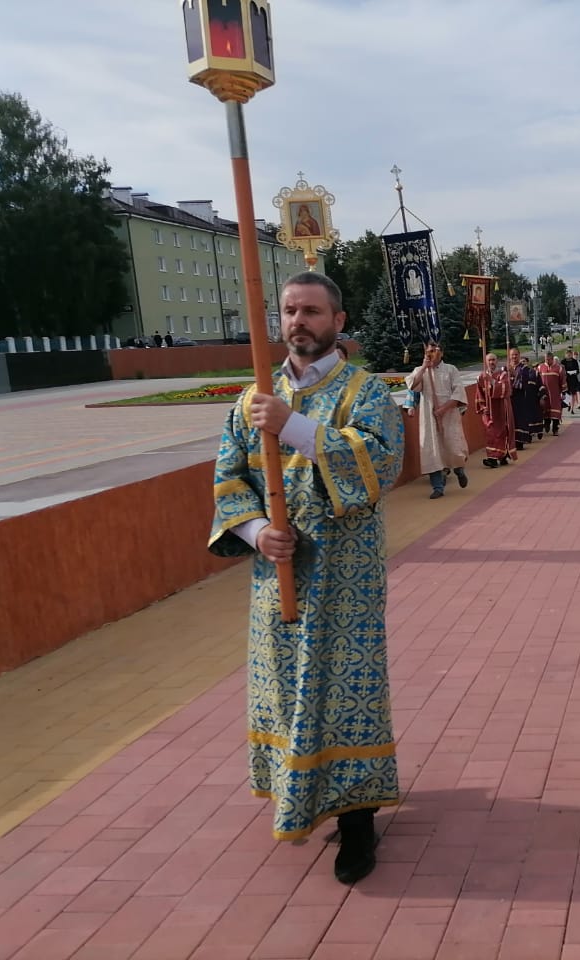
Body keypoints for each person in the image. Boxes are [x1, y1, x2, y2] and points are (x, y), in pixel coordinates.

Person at [208, 271, 404, 885]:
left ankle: (357, 819)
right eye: (290, 310)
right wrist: (255, 533)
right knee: (287, 689)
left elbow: (381, 462)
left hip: (346, 580)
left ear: (337, 321)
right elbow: (229, 478)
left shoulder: (364, 391)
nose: (299, 321)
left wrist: (290, 425)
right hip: (280, 578)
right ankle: (304, 796)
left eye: (312, 311)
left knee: (346, 693)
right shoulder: (251, 399)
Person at [407, 342, 469, 499]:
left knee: (453, 447)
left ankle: (459, 470)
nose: (431, 354)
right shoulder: (421, 371)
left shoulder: (451, 370)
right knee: (432, 450)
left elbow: (458, 394)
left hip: (449, 415)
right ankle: (438, 487)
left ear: (441, 353)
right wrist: (424, 367)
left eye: (434, 351)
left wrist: (443, 409)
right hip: (429, 416)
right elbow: (412, 385)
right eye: (428, 351)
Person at [477, 352, 515, 468]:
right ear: (485, 362)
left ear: (497, 361)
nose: (491, 362)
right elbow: (479, 394)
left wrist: (492, 381)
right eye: (489, 360)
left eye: (493, 360)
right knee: (491, 433)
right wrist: (483, 408)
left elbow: (505, 389)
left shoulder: (503, 374)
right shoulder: (481, 377)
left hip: (501, 409)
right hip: (489, 410)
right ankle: (493, 457)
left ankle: (498, 457)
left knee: (501, 433)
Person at [507, 348, 541, 449]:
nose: (514, 357)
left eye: (516, 354)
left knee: (519, 419)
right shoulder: (505, 368)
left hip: (520, 398)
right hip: (508, 399)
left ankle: (519, 441)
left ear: (519, 355)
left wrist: (514, 374)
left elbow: (525, 383)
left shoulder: (524, 369)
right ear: (509, 356)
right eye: (512, 355)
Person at [537, 351, 565, 435]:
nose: (547, 361)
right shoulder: (540, 367)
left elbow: (562, 380)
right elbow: (537, 379)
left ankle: (555, 429)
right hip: (544, 393)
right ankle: (547, 424)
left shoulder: (559, 368)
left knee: (555, 412)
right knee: (545, 410)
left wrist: (563, 392)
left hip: (555, 394)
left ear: (552, 359)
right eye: (546, 359)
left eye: (549, 359)